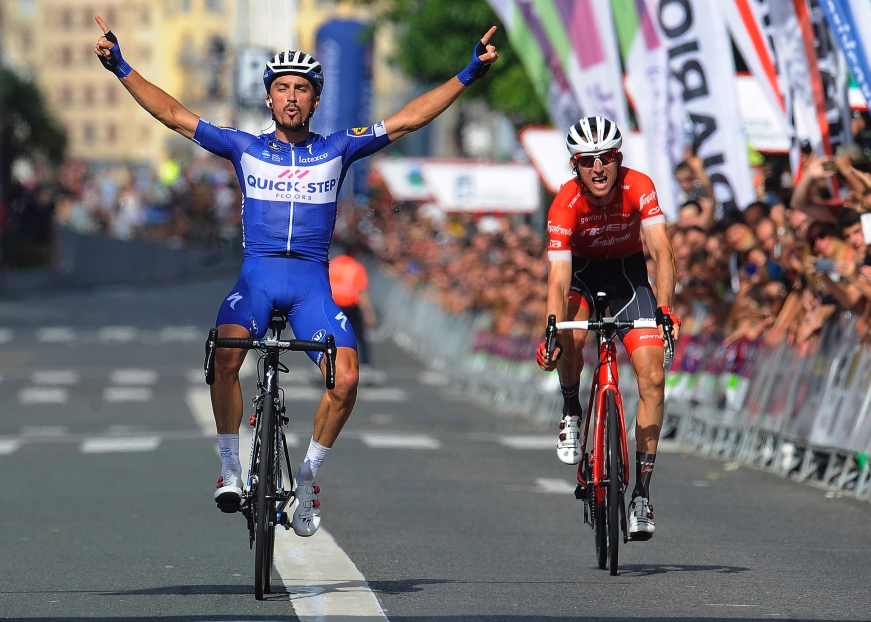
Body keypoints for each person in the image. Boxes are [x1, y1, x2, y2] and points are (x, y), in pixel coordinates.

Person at [94, 16, 498, 536]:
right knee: (225, 357)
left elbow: (406, 121)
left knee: (347, 379)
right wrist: (121, 67)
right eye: (281, 87)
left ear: (315, 100)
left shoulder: (338, 147)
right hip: (256, 279)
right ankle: (231, 467)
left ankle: (307, 476)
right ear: (268, 98)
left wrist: (467, 75)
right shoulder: (244, 146)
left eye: (301, 89)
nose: (291, 96)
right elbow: (173, 114)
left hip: (311, 285)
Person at [535, 116, 680, 540]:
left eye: (606, 159)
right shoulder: (564, 202)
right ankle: (571, 409)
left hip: (627, 278)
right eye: (586, 161)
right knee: (571, 335)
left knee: (653, 376)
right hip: (581, 277)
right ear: (574, 166)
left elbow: (661, 250)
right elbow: (559, 279)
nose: (597, 168)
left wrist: (666, 308)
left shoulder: (640, 186)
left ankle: (642, 496)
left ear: (619, 159)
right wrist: (551, 327)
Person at [329, 243, 377, 379]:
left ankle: (324, 365)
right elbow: (361, 293)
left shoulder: (334, 264)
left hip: (334, 305)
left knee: (331, 336)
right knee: (359, 337)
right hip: (350, 306)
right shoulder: (356, 268)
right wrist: (369, 313)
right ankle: (366, 366)